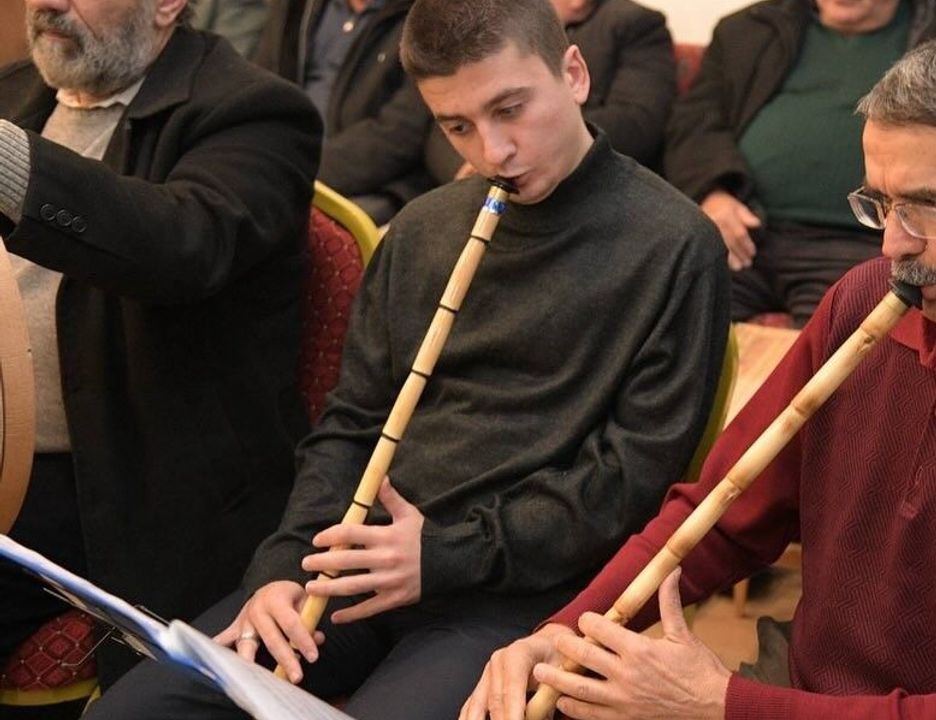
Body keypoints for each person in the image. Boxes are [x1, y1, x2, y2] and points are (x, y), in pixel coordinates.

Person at [467, 23, 936, 720]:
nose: (893, 246)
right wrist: (563, 632)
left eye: (929, 207)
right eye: (881, 204)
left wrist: (723, 705)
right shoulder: (864, 303)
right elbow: (716, 519)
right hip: (806, 689)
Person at [86, 0, 728, 717]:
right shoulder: (423, 229)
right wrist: (284, 564)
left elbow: (628, 484)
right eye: (458, 127)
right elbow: (350, 423)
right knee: (132, 711)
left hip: (519, 598)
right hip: (364, 567)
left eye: (510, 109)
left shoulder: (676, 245)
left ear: (573, 74)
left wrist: (445, 553)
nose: (493, 152)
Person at [0, 0, 320, 686]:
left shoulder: (254, 112)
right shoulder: (14, 91)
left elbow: (180, 246)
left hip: (120, 482)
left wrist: (9, 166)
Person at [665, 0, 936, 327]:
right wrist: (713, 194)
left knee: (840, 343)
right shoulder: (749, 29)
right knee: (673, 316)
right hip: (747, 230)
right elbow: (694, 125)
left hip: (859, 244)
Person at [424, 0, 676, 183]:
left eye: (510, 108)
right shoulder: (492, 24)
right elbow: (444, 123)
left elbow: (637, 121)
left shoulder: (632, 23)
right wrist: (469, 168)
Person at [254, 0, 430, 223]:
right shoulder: (297, 7)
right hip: (282, 164)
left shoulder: (427, 17)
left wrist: (294, 170)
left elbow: (402, 132)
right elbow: (262, 91)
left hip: (373, 184)